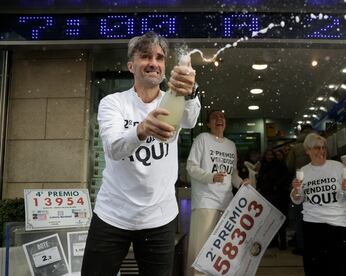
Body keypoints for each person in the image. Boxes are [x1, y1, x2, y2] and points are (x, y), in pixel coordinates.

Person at [81, 32, 201, 276]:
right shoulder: (113, 103)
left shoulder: (173, 100)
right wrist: (141, 130)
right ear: (130, 65)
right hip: (113, 213)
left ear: (165, 66)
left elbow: (190, 118)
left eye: (159, 57)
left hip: (158, 216)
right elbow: (114, 149)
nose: (153, 63)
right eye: (145, 56)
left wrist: (190, 90)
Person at [186, 110, 249, 276]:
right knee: (202, 251)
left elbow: (233, 174)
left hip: (228, 205)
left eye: (222, 117)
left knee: (222, 254)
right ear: (208, 123)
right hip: (206, 203)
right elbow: (191, 167)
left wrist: (241, 183)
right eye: (214, 117)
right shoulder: (202, 139)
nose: (219, 119)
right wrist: (211, 177)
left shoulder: (231, 145)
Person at [290, 133, 346, 276]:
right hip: (312, 225)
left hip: (339, 224)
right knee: (316, 269)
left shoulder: (338, 167)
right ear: (307, 150)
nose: (321, 151)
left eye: (323, 148)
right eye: (316, 148)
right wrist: (295, 191)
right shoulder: (303, 172)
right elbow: (298, 199)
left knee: (342, 268)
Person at [286, 124, 314, 254]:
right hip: (316, 185)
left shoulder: (296, 147)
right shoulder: (318, 144)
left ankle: (302, 246)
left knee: (300, 217)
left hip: (300, 184)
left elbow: (289, 166)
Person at [256, 148, 290, 250]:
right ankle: (273, 241)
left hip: (278, 196)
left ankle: (282, 242)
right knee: (270, 220)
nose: (270, 157)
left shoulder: (279, 165)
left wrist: (276, 185)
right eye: (268, 155)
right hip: (268, 196)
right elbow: (260, 180)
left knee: (279, 219)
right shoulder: (263, 165)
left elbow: (285, 177)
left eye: (271, 155)